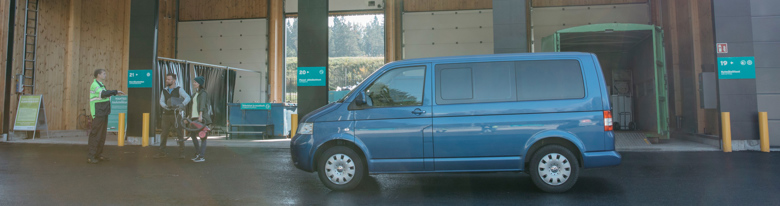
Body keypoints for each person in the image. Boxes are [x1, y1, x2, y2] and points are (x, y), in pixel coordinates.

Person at [87, 69, 124, 164]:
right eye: (104, 73)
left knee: (102, 135)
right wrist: (115, 91)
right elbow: (103, 94)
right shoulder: (95, 85)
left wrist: (114, 93)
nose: (105, 75)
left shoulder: (101, 85)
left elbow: (104, 94)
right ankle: (91, 156)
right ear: (98, 75)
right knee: (96, 135)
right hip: (98, 113)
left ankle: (98, 154)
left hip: (103, 112)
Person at [154, 73, 190, 159]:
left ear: (174, 81)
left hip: (176, 115)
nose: (167, 81)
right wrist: (165, 106)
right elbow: (161, 101)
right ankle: (162, 152)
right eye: (166, 79)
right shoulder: (164, 90)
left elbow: (188, 97)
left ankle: (182, 152)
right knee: (164, 133)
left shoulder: (179, 89)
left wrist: (182, 104)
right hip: (166, 114)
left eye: (169, 79)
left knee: (179, 133)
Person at [189, 76, 212, 162]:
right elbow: (192, 106)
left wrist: (200, 115)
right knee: (192, 135)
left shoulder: (203, 93)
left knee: (202, 136)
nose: (194, 83)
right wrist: (188, 117)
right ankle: (198, 153)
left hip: (200, 118)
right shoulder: (195, 94)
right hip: (193, 117)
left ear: (199, 84)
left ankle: (201, 156)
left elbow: (202, 104)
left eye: (195, 82)